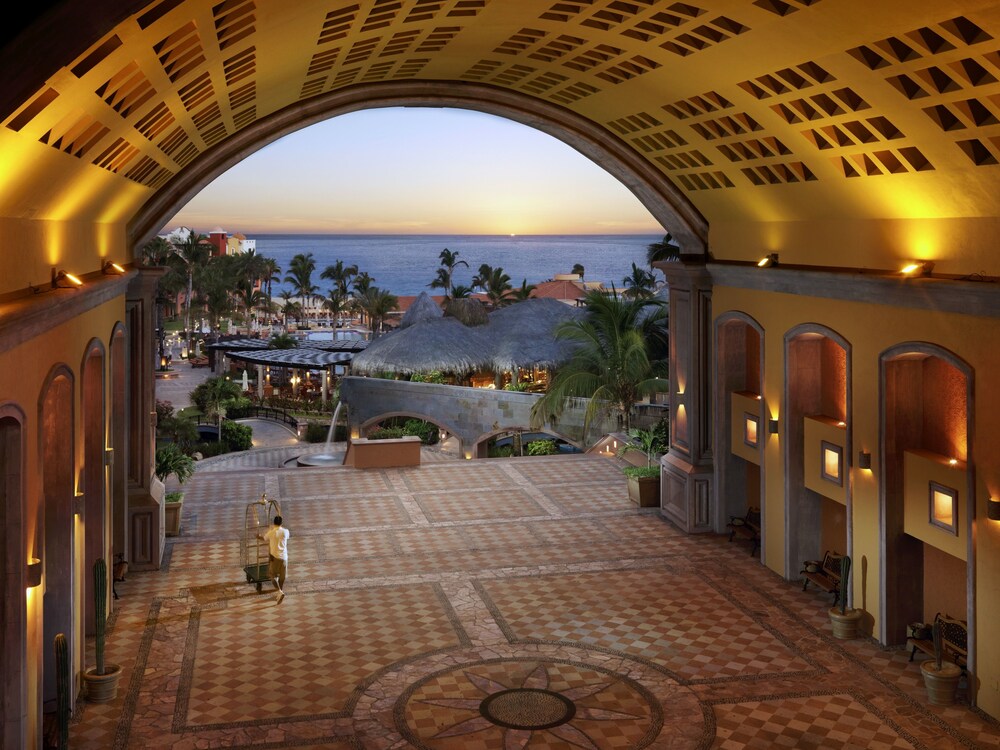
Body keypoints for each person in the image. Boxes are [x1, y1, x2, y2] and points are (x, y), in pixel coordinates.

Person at [260, 515, 289, 603]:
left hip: (275, 557)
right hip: (284, 558)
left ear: (274, 523)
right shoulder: (286, 532)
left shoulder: (271, 532)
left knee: (272, 575)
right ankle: (280, 592)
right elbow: (285, 537)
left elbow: (264, 538)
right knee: (282, 576)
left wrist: (258, 536)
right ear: (282, 523)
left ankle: (279, 591)